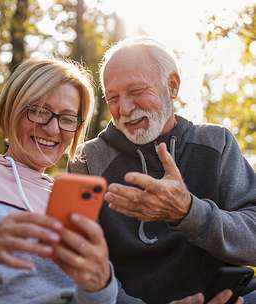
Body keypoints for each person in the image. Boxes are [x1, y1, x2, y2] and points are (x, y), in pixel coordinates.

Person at [68, 36, 256, 304]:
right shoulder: (87, 160)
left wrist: (188, 211)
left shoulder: (216, 142)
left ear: (172, 86)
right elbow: (85, 266)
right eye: (113, 97)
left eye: (136, 91)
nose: (124, 108)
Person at [0, 58, 119, 303]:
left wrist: (101, 286)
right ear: (12, 109)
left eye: (68, 118)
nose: (53, 129)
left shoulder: (74, 200)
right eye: (39, 111)